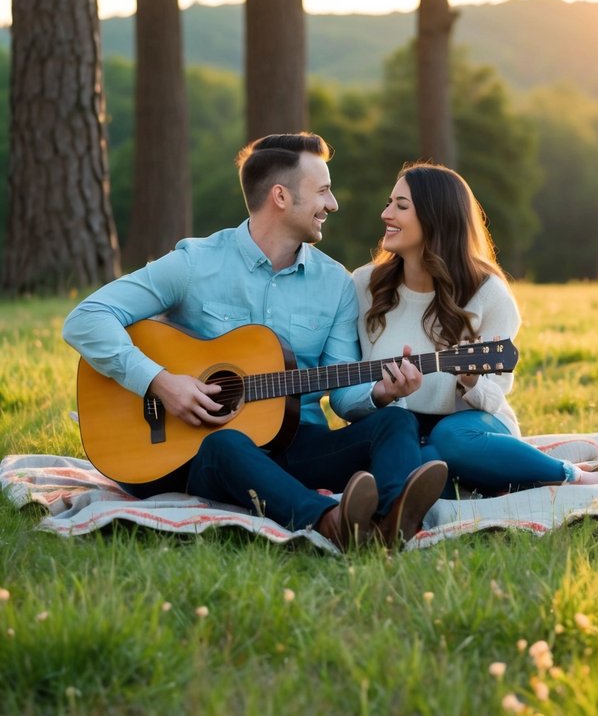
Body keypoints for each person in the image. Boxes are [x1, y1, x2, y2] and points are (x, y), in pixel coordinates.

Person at [63, 134, 447, 550]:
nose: (332, 204)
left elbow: (343, 397)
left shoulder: (335, 283)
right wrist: (159, 381)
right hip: (191, 455)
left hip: (297, 446)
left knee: (396, 421)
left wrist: (381, 393)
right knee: (227, 443)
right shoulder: (196, 263)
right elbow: (86, 319)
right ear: (280, 196)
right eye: (322, 191)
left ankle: (393, 521)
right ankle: (331, 522)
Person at [343, 162, 598, 494]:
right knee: (424, 465)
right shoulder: (366, 285)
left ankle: (581, 477)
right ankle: (532, 472)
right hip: (396, 430)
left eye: (400, 206)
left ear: (435, 217)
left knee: (448, 442)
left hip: (471, 428)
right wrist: (384, 395)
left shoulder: (487, 292)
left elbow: (495, 396)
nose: (386, 214)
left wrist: (470, 380)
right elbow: (348, 391)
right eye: (388, 203)